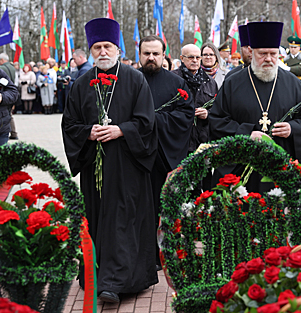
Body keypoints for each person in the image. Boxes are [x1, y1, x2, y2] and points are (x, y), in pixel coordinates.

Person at [62, 18, 158, 303]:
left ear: (117, 48)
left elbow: (147, 122)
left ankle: (118, 281)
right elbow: (69, 125)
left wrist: (121, 130)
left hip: (127, 165)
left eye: (107, 46)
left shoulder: (135, 79)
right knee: (96, 219)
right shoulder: (80, 84)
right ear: (91, 51)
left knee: (123, 220)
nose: (103, 51)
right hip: (94, 167)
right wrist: (88, 133)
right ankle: (95, 274)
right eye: (97, 47)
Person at [209, 21, 301, 193]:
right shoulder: (233, 83)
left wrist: (293, 128)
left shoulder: (294, 84)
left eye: (273, 53)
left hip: (279, 171)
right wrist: (247, 133)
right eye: (262, 53)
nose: (268, 58)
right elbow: (217, 121)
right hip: (241, 170)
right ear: (252, 52)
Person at [138, 35, 194, 269]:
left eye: (155, 53)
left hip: (165, 155)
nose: (151, 58)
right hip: (137, 157)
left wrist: (154, 120)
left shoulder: (176, 83)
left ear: (164, 55)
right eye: (146, 53)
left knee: (167, 206)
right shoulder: (131, 80)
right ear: (139, 55)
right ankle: (142, 253)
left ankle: (166, 252)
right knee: (140, 208)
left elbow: (185, 115)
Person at [172, 44, 217, 154]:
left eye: (198, 57)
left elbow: (219, 109)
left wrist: (207, 113)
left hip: (202, 140)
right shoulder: (172, 79)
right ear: (182, 58)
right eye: (191, 57)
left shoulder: (210, 82)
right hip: (178, 140)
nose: (195, 61)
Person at [0, 53, 19, 140]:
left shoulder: (0, 68)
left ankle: (6, 132)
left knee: (6, 114)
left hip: (4, 93)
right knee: (10, 113)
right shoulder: (13, 68)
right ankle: (14, 133)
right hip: (13, 92)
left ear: (2, 60)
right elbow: (16, 82)